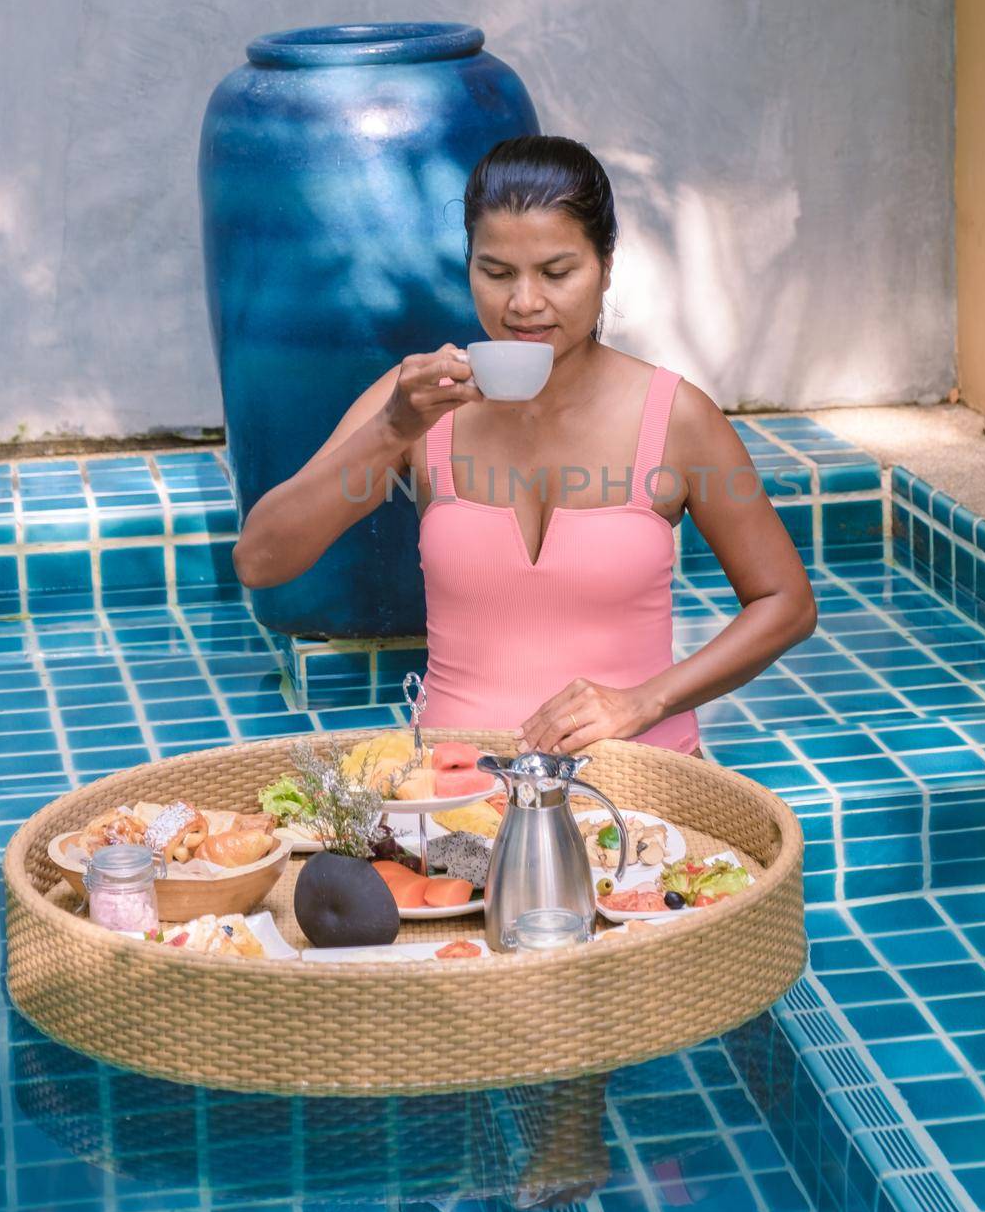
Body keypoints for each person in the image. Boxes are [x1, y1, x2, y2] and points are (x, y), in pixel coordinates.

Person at [233, 135, 818, 755]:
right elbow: (261, 561)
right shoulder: (418, 402)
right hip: (452, 799)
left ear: (606, 265)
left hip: (643, 795)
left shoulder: (675, 417)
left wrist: (645, 701)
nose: (524, 303)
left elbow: (785, 603)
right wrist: (391, 432)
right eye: (496, 272)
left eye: (557, 272)